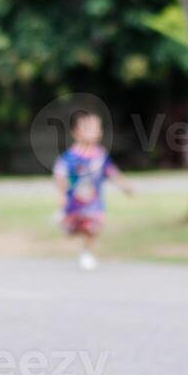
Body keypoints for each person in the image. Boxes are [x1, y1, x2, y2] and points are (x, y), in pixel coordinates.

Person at [53, 109, 135, 271]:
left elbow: (112, 172)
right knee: (73, 229)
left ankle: (86, 253)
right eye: (88, 128)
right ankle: (65, 222)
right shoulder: (69, 157)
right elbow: (60, 176)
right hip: (74, 202)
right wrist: (61, 195)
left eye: (96, 128)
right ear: (76, 132)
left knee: (94, 226)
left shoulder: (100, 156)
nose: (94, 131)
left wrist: (125, 187)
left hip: (94, 202)